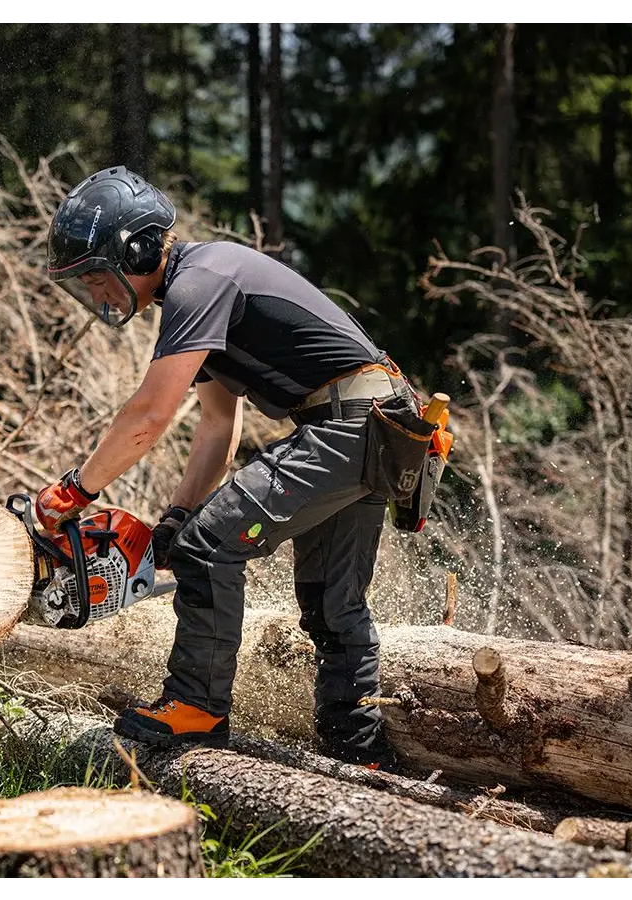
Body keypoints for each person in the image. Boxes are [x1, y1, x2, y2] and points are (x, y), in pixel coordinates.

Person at [35, 165, 436, 766]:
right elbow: (219, 426)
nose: (98, 296)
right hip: (370, 423)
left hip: (355, 423)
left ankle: (197, 706)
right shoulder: (199, 291)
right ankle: (357, 748)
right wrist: (177, 516)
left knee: (209, 549)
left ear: (137, 250)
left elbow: (149, 415)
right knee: (331, 600)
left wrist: (74, 491)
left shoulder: (200, 283)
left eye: (98, 278)